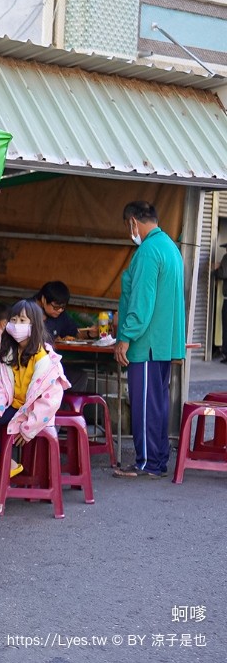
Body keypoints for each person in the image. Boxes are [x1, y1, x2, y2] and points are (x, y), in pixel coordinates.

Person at [113, 201, 186, 478]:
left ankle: (147, 463)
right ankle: (158, 459)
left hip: (146, 344)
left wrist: (126, 337)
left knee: (144, 404)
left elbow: (142, 301)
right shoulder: (170, 248)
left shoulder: (147, 251)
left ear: (133, 221)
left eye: (127, 226)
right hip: (163, 343)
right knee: (157, 403)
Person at [0, 299, 70, 486]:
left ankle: (0, 462)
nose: (17, 325)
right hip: (13, 407)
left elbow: (49, 403)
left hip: (29, 413)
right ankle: (2, 462)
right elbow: (1, 386)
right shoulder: (11, 353)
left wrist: (29, 428)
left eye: (23, 321)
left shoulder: (45, 361)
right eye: (14, 320)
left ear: (34, 325)